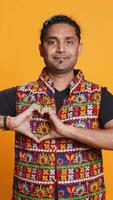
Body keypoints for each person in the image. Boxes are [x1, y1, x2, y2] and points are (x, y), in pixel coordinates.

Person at [0, 14, 113, 200]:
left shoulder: (99, 96)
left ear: (79, 48)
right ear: (41, 49)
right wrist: (8, 122)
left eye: (69, 41)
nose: (61, 49)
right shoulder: (19, 94)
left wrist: (67, 130)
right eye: (52, 42)